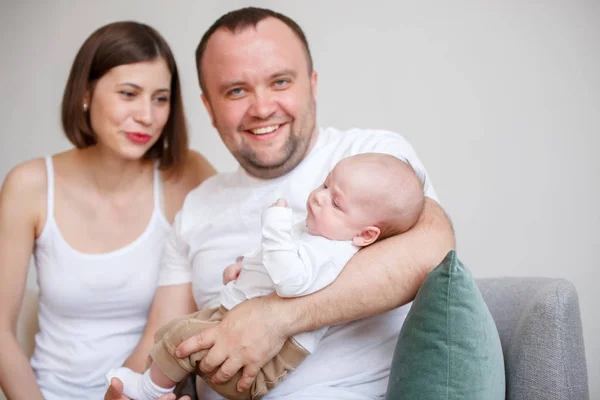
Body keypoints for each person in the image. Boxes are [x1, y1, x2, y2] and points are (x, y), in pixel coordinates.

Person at [105, 7, 455, 400]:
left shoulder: (372, 159)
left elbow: (433, 249)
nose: (262, 107)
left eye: (280, 81)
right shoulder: (198, 206)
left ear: (312, 83)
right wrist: (125, 391)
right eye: (236, 90)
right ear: (209, 108)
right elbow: (159, 338)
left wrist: (276, 318)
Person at [0, 21, 216, 399]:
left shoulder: (186, 173)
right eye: (129, 93)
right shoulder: (30, 185)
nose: (147, 116)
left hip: (149, 391)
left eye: (160, 98)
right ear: (86, 93)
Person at [108, 153, 425, 400]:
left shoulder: (333, 254)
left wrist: (275, 223)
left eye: (336, 201)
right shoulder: (321, 231)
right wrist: (243, 267)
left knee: (181, 340)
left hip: (261, 365)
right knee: (170, 331)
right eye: (326, 184)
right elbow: (274, 267)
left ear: (366, 234)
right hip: (233, 331)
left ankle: (147, 390)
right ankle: (150, 387)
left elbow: (290, 280)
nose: (318, 196)